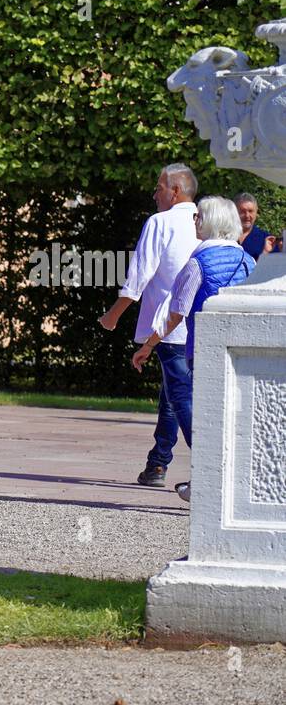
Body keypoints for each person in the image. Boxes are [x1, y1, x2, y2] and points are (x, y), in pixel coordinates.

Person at [132, 195, 253, 503]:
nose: (195, 222)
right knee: (233, 419)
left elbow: (175, 314)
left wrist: (148, 345)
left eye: (199, 217)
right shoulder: (248, 262)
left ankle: (207, 477)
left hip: (205, 354)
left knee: (194, 408)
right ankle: (233, 480)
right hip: (243, 357)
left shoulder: (197, 263)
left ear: (211, 222)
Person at [98, 163, 199, 488]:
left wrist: (113, 314)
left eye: (159, 187)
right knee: (172, 393)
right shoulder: (205, 219)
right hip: (200, 324)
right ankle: (157, 463)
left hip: (169, 327)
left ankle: (212, 464)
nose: (154, 194)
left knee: (180, 396)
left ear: (175, 191)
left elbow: (139, 276)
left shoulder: (161, 222)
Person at [233, 193, 273, 259]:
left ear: (256, 212)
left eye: (251, 211)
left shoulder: (266, 241)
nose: (247, 216)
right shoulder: (224, 237)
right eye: (242, 211)